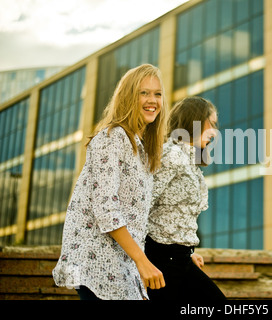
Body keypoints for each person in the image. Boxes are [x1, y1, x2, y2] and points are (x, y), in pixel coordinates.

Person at [52, 64, 167, 300]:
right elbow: (105, 208)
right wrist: (142, 260)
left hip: (123, 266)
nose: (152, 100)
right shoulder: (112, 137)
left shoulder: (143, 150)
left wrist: (185, 252)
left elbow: (140, 219)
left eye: (157, 93)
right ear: (128, 97)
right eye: (143, 92)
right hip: (98, 263)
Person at [145, 96, 226, 301]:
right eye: (212, 123)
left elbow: (173, 215)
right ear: (195, 121)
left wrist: (188, 253)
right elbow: (142, 206)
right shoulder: (172, 156)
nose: (215, 131)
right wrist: (141, 260)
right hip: (162, 259)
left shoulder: (189, 160)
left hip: (178, 258)